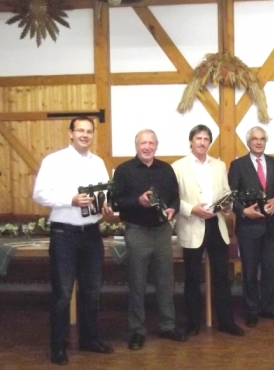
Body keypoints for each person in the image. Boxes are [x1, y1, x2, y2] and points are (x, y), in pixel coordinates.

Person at [33, 117, 114, 366]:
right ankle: (58, 346)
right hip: (64, 234)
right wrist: (71, 199)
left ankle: (89, 339)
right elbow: (39, 194)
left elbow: (102, 196)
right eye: (80, 130)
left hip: (91, 233)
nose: (85, 135)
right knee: (62, 293)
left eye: (89, 131)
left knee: (91, 290)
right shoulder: (54, 161)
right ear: (70, 133)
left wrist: (106, 208)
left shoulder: (99, 162)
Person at [113, 129, 187, 350]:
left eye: (151, 143)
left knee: (166, 280)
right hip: (137, 231)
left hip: (163, 231)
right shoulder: (124, 170)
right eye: (143, 143)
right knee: (137, 282)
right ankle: (137, 330)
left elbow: (175, 197)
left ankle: (167, 325)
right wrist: (138, 201)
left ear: (156, 146)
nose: (147, 147)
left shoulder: (166, 169)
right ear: (136, 146)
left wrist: (173, 209)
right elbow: (116, 202)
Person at [172, 124, 245, 337]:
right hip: (192, 224)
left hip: (216, 224)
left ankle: (226, 321)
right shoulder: (178, 167)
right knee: (193, 276)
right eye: (198, 138)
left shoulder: (219, 165)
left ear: (209, 142)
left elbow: (226, 192)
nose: (202, 142)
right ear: (191, 141)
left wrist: (227, 205)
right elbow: (174, 199)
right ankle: (193, 322)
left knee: (222, 276)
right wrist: (192, 209)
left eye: (206, 139)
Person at [228, 126, 274, 328]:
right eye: (254, 139)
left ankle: (268, 307)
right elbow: (231, 197)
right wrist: (243, 211)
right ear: (248, 142)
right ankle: (251, 309)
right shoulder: (238, 165)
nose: (258, 142)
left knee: (271, 269)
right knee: (250, 271)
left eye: (262, 138)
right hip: (248, 228)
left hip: (271, 226)